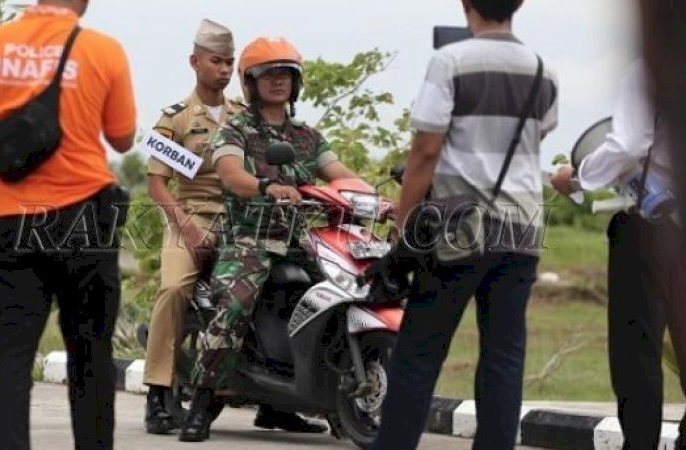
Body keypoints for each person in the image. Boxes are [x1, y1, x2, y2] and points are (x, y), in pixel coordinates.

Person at [371, 1, 559, 448]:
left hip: (460, 231)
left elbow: (425, 152)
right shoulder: (543, 70)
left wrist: (404, 228)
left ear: (466, 4)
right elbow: (540, 135)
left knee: (419, 351)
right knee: (504, 356)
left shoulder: (450, 60)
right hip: (522, 230)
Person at [0, 0, 136, 448]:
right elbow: (122, 136)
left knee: (12, 355)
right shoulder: (104, 50)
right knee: (91, 351)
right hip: (84, 218)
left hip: (11, 219)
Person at [142, 19, 326, 437]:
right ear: (195, 62)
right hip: (192, 216)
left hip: (248, 217)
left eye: (229, 62)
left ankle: (276, 400)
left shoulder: (244, 115)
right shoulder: (174, 119)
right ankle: (157, 392)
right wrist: (185, 226)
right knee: (173, 289)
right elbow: (157, 185)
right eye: (215, 61)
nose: (223, 69)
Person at [177, 36, 361, 442]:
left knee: (342, 297)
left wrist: (381, 199)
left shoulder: (308, 136)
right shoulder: (236, 129)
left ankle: (322, 397)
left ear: (297, 83)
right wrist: (265, 186)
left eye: (287, 74)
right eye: (269, 74)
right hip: (249, 240)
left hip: (301, 240)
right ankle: (202, 404)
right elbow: (230, 175)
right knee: (234, 309)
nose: (279, 81)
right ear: (251, 82)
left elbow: (340, 174)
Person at [552, 60, 686, 449]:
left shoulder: (651, 65)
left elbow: (629, 143)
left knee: (637, 349)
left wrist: (576, 176)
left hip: (656, 227)